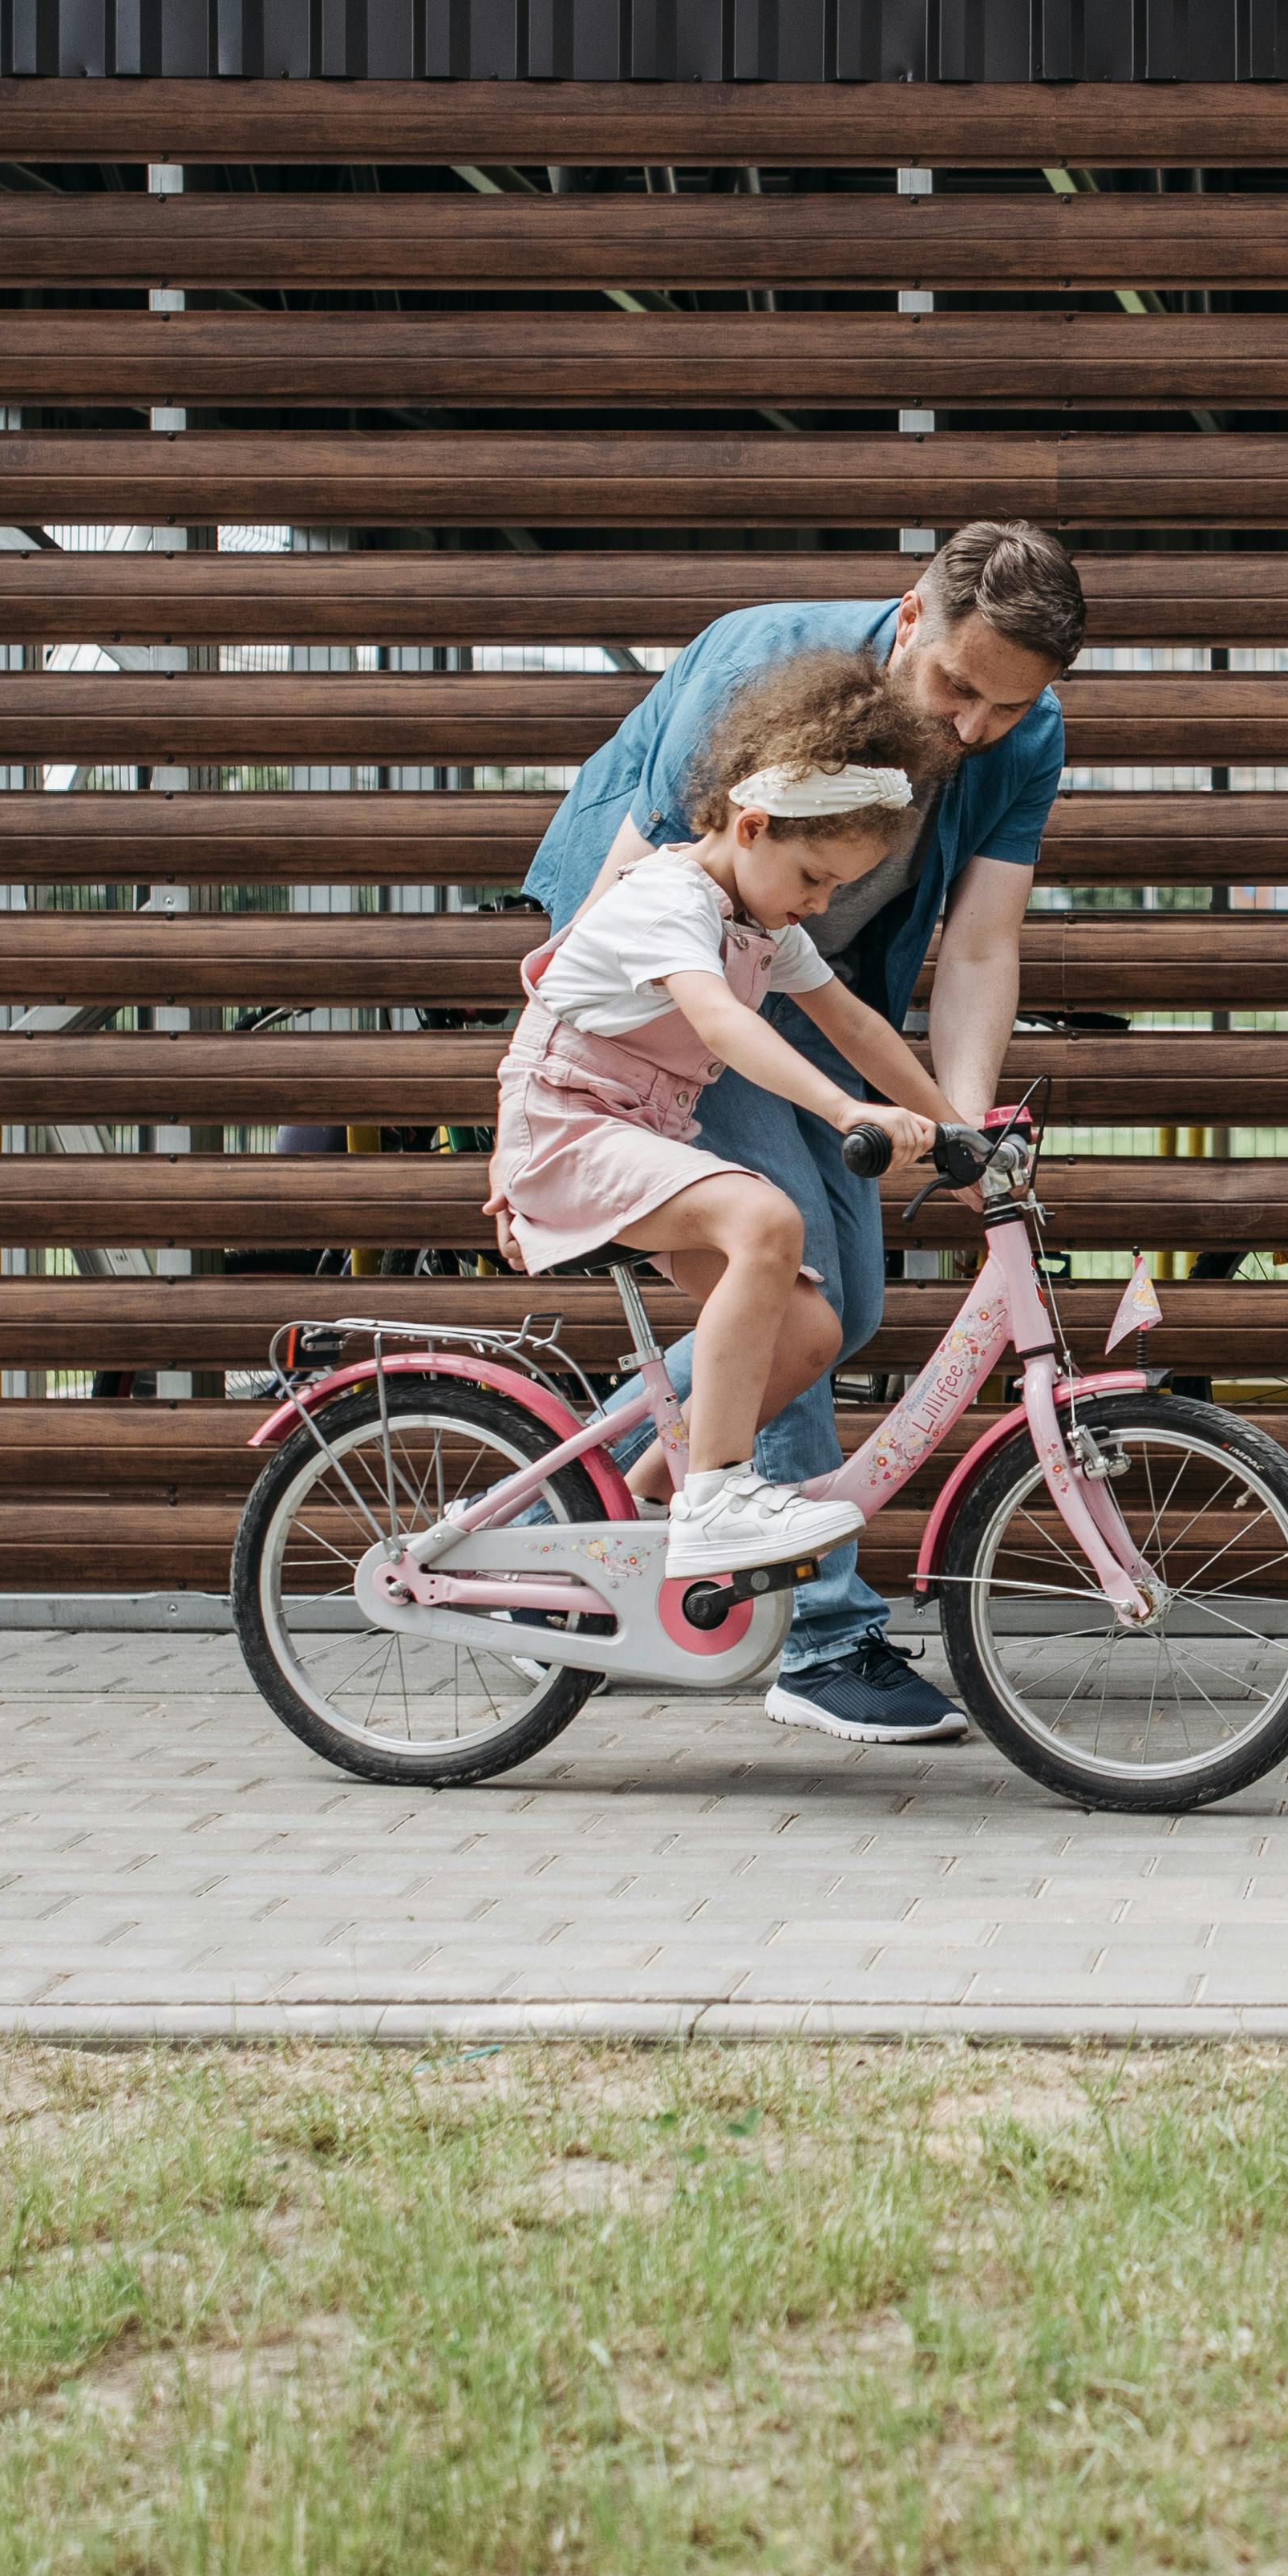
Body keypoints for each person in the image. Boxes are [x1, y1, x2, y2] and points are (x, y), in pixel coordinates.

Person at [520, 520, 1081, 1745]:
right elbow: (644, 890)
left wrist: (966, 1123)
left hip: (803, 971)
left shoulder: (1020, 729)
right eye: (958, 690)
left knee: (847, 1315)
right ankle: (816, 1636)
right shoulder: (759, 668)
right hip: (676, 993)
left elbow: (979, 942)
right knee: (777, 1262)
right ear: (909, 616)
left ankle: (564, 1520)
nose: (976, 727)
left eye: (1009, 707)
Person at [491, 654, 969, 1578]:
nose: (821, 904)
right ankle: (715, 1494)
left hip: (636, 1135)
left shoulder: (761, 925)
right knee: (765, 1218)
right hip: (570, 1131)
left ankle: (616, 1524)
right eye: (813, 876)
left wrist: (954, 1130)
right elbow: (715, 1019)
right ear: (750, 826)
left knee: (811, 1333)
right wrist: (841, 1109)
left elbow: (853, 1021)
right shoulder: (668, 902)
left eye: (837, 888)